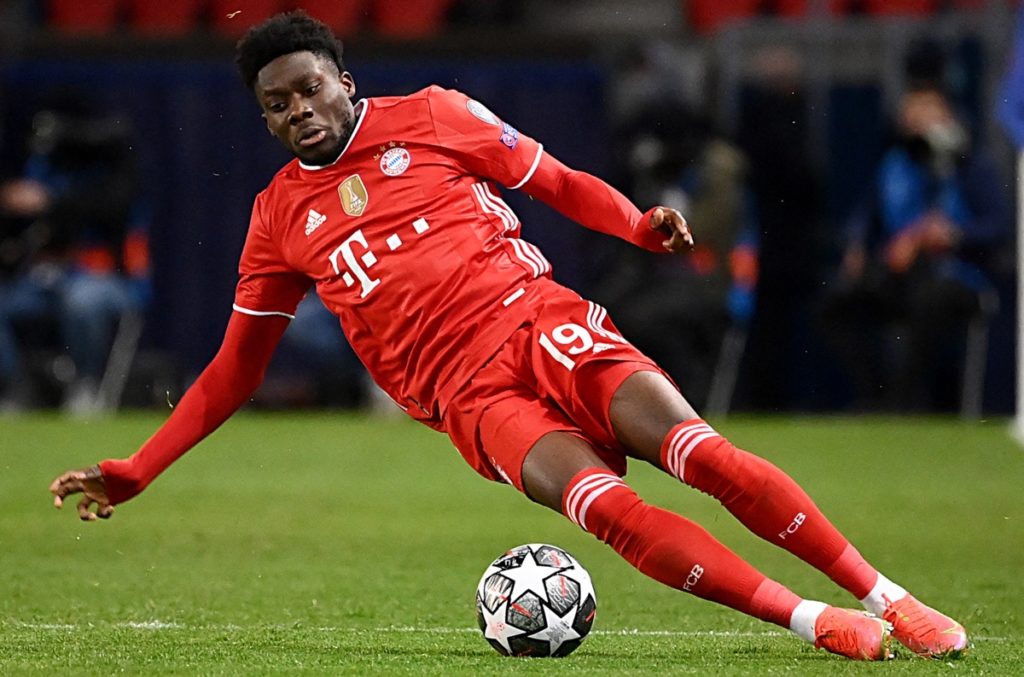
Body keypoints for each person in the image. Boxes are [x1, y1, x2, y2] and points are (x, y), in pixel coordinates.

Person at [49, 12, 967, 661]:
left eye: (307, 89)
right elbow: (232, 372)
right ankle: (814, 621)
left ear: (343, 81)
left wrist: (636, 226)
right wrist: (142, 465)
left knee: (700, 452)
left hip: (540, 321)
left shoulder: (437, 116)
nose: (296, 111)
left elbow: (561, 183)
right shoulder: (277, 218)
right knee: (604, 507)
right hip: (470, 400)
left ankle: (889, 596)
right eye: (276, 106)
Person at [823, 85, 1009, 411]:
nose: (919, 122)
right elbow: (866, 217)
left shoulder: (971, 165)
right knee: (834, 305)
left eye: (929, 113)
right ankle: (875, 395)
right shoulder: (894, 165)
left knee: (930, 301)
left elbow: (997, 227)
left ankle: (903, 402)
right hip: (900, 272)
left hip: (959, 276)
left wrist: (953, 235)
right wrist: (856, 247)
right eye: (913, 114)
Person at [0, 97, 150, 414]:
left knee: (82, 300)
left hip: (112, 281)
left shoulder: (118, 175)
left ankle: (86, 384)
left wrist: (50, 202)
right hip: (52, 280)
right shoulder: (47, 169)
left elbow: (104, 209)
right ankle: (15, 388)